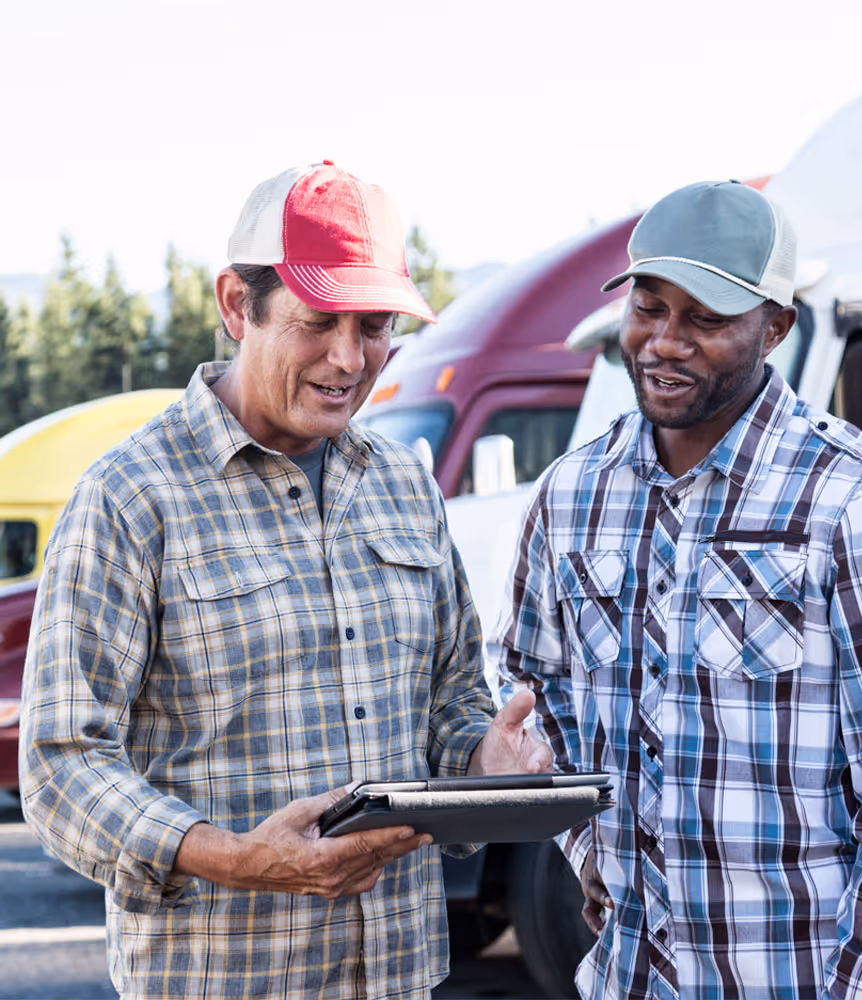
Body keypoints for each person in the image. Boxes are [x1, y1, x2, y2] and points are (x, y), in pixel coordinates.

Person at [18, 160, 551, 1000]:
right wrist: (236, 859)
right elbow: (60, 766)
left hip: (401, 976)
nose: (350, 357)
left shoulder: (406, 486)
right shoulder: (130, 498)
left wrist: (486, 760)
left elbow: (450, 700)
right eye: (318, 322)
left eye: (374, 324)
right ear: (237, 304)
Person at [495, 180, 862, 999]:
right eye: (649, 307)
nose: (664, 342)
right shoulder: (574, 494)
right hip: (626, 979)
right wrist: (589, 845)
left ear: (775, 326)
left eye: (707, 319)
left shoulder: (860, 501)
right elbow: (536, 690)